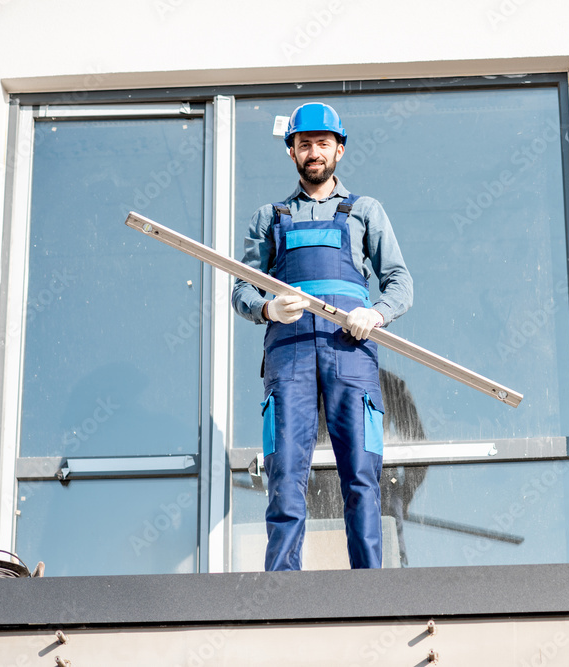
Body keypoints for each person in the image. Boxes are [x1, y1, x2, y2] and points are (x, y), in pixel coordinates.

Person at [231, 102, 413, 571]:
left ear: (340, 150)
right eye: (305, 144)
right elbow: (242, 287)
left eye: (323, 144)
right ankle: (283, 591)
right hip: (288, 354)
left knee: (361, 476)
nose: (314, 152)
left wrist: (374, 314)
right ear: (291, 151)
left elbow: (400, 283)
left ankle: (370, 587)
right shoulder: (268, 218)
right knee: (286, 472)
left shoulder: (365, 212)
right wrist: (268, 307)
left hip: (349, 351)